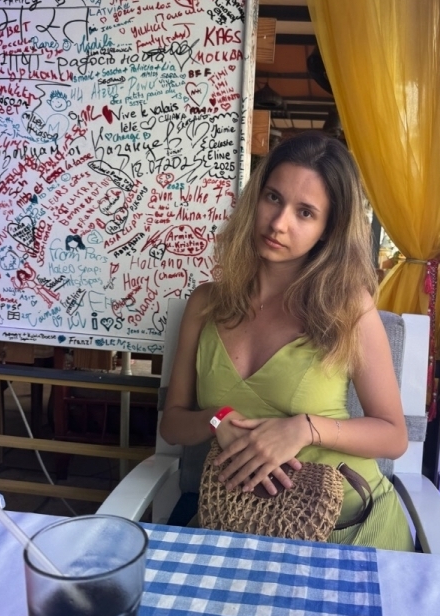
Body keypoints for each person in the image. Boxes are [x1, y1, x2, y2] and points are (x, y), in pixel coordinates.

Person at [160, 132, 414, 551]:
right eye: (273, 198)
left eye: (305, 213)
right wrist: (216, 420)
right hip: (236, 520)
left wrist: (305, 429)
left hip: (348, 528)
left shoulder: (348, 307)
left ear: (328, 229)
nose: (279, 223)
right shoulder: (205, 304)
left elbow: (393, 436)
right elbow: (172, 424)